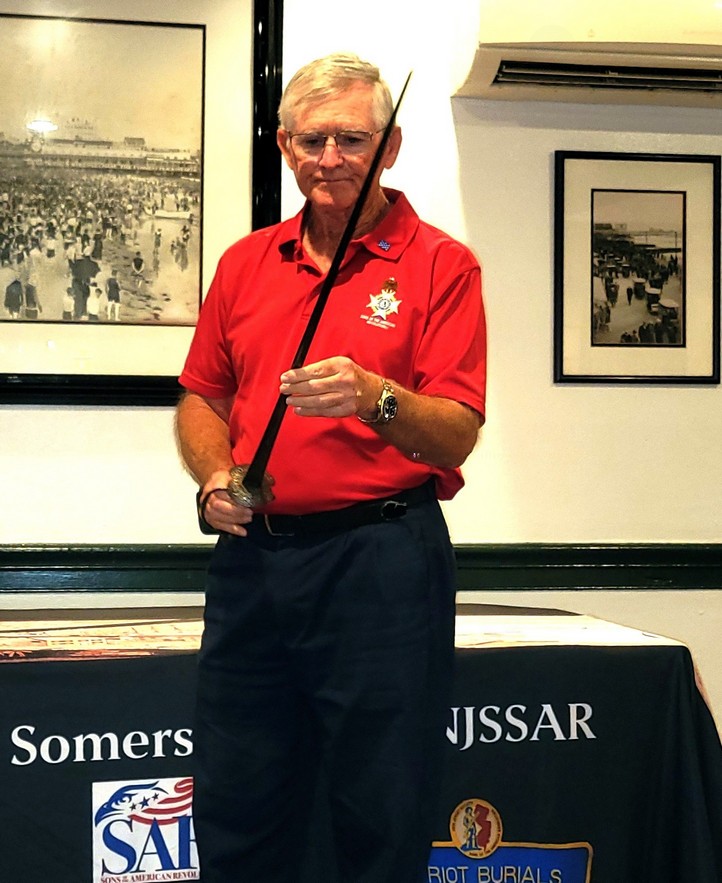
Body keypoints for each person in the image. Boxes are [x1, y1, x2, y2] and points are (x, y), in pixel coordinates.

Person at [175, 52, 486, 883]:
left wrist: (374, 396)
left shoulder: (441, 265)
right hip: (254, 565)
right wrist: (214, 479)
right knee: (239, 798)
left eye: (353, 138)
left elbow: (455, 433)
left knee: (381, 807)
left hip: (381, 564)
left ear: (389, 147)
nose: (330, 157)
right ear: (284, 145)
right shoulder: (246, 263)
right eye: (313, 139)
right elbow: (201, 399)